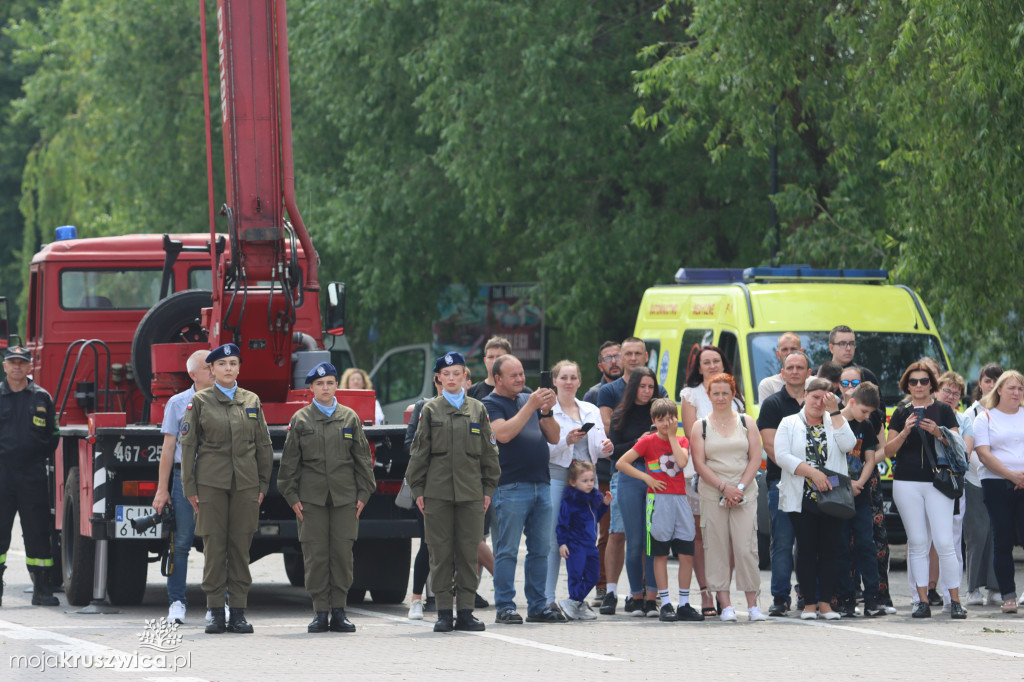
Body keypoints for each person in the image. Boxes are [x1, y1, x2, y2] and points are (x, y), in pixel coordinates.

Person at [181, 343, 274, 634]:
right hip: (211, 484)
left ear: (239, 367)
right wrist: (189, 486)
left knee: (240, 548)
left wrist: (262, 483)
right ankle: (215, 612)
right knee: (214, 546)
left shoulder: (251, 400)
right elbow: (188, 446)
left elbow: (263, 445)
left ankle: (238, 613)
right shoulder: (200, 401)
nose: (228, 368)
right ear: (211, 370)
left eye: (233, 363)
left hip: (246, 484)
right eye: (222, 364)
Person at [407, 352, 501, 632]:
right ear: (438, 378)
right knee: (439, 552)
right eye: (445, 374)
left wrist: (488, 489)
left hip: (472, 493)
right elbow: (418, 453)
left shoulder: (478, 410)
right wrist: (418, 489)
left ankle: (466, 612)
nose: (451, 379)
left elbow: (489, 453)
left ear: (464, 377)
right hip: (437, 494)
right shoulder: (430, 410)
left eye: (456, 373)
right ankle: (444, 613)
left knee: (469, 553)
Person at [483, 354, 565, 624]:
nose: (520, 379)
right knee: (506, 550)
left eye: (521, 374)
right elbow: (503, 434)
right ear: (498, 379)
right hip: (510, 485)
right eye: (513, 375)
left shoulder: (527, 400)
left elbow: (553, 436)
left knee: (540, 549)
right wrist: (530, 406)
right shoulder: (489, 404)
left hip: (541, 483)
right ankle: (505, 606)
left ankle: (538, 606)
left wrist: (547, 411)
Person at [884, 362, 964, 619]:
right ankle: (921, 600)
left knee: (944, 542)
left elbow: (958, 447)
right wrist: (906, 431)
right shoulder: (901, 412)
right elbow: (888, 451)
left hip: (937, 481)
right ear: (907, 385)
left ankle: (955, 601)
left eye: (924, 381)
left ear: (932, 383)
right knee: (917, 542)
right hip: (906, 482)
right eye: (913, 382)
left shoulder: (944, 410)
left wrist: (938, 433)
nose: (919, 386)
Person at [774, 378, 856, 620]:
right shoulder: (789, 423)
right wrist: (813, 473)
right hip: (802, 497)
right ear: (805, 397)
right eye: (815, 397)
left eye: (825, 398)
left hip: (832, 496)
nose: (819, 403)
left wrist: (836, 412)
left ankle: (826, 604)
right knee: (806, 550)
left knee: (831, 550)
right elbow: (781, 456)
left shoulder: (835, 421)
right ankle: (809, 604)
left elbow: (849, 444)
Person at [596, 338, 667, 615]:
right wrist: (642, 442)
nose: (647, 391)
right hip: (626, 475)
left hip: (657, 477)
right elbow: (614, 449)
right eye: (642, 386)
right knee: (624, 535)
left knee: (652, 538)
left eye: (651, 387)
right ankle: (623, 593)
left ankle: (651, 597)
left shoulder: (660, 405)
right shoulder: (615, 405)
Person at [690, 373, 764, 622]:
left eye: (725, 393)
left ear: (733, 394)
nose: (720, 397)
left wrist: (739, 487)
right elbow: (699, 464)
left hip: (744, 492)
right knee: (717, 547)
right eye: (715, 393)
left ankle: (753, 605)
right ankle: (726, 605)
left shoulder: (746, 421)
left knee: (746, 548)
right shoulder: (700, 426)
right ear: (708, 396)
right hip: (713, 492)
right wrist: (724, 488)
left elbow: (755, 457)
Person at [616, 398, 698, 623]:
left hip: (680, 500)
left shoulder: (681, 439)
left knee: (686, 552)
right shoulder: (648, 442)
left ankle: (684, 603)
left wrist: (672, 436)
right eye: (660, 420)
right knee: (659, 553)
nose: (665, 423)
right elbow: (622, 463)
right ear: (653, 421)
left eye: (670, 419)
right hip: (658, 501)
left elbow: (681, 462)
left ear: (676, 419)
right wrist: (646, 478)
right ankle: (665, 602)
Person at [152, 350, 215, 624]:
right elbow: (168, 449)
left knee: (218, 543)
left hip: (216, 479)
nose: (215, 371)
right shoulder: (177, 403)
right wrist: (162, 489)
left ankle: (218, 605)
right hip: (182, 478)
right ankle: (177, 602)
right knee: (180, 542)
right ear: (193, 374)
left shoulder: (229, 400)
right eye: (208, 367)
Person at [679, 344, 742, 618]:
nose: (713, 365)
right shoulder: (690, 395)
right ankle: (705, 591)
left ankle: (722, 593)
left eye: (717, 360)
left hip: (733, 477)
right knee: (701, 535)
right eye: (707, 362)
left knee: (728, 537)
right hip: (699, 475)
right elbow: (695, 441)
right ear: (699, 366)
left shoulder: (736, 398)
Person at [544, 360, 612, 613]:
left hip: (586, 481)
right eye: (564, 377)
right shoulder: (548, 409)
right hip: (559, 475)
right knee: (555, 539)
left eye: (573, 377)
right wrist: (566, 441)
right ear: (554, 380)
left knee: (585, 539)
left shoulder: (591, 410)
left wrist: (608, 448)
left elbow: (602, 443)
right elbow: (545, 450)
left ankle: (576, 598)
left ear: (580, 381)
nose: (569, 382)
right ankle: (548, 598)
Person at [0, 345, 60, 607]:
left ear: (28, 366)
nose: (16, 367)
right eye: (12, 362)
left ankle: (42, 589)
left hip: (33, 474)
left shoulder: (41, 397)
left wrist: (35, 458)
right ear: (4, 366)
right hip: (2, 474)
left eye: (21, 363)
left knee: (37, 529)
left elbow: (53, 435)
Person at [757, 350, 809, 616]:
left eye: (800, 367)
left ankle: (808, 593)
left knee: (809, 542)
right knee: (782, 541)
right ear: (783, 372)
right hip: (782, 482)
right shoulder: (773, 404)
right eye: (790, 367)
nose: (795, 371)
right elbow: (770, 445)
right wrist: (802, 469)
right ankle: (780, 597)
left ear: (809, 373)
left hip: (813, 485)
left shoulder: (816, 402)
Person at [973, 369, 1024, 615]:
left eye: (1020, 388)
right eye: (1012, 388)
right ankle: (1008, 596)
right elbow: (983, 453)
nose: (1016, 393)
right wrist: (1010, 474)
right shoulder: (985, 418)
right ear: (999, 390)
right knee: (1002, 540)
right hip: (995, 483)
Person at [835, 381, 885, 618]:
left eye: (870, 413)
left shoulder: (865, 426)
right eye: (864, 411)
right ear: (851, 402)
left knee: (866, 545)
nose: (866, 416)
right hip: (838, 493)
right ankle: (846, 598)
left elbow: (870, 459)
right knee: (842, 547)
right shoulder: (833, 421)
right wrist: (846, 483)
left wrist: (860, 483)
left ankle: (872, 598)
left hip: (861, 495)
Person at [581, 341, 622, 605]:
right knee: (605, 533)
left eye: (617, 356)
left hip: (635, 470)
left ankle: (642, 589)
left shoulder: (639, 388)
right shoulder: (592, 396)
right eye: (608, 358)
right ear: (600, 365)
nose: (614, 361)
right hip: (604, 473)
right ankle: (602, 585)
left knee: (634, 533)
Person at [962, 363, 1003, 607]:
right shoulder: (971, 413)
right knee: (977, 536)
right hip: (975, 480)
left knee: (998, 535)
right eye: (987, 381)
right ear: (980, 384)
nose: (991, 385)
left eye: (996, 381)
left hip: (1002, 482)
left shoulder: (1009, 413)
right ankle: (973, 588)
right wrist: (988, 467)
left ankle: (996, 588)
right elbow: (971, 451)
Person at [555, 460, 611, 620]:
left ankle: (574, 602)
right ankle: (574, 602)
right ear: (573, 482)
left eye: (591, 480)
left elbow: (596, 519)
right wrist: (562, 543)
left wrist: (604, 505)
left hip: (590, 546)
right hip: (575, 545)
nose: (589, 484)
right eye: (584, 481)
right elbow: (562, 524)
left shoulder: (592, 499)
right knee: (576, 574)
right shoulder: (570, 501)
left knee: (593, 576)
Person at [758, 333, 804, 403]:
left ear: (801, 352)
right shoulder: (768, 385)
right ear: (778, 354)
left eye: (793, 349)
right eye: (784, 349)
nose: (789, 353)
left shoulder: (813, 384)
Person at [467, 336, 513, 401]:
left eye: (499, 357)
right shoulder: (471, 392)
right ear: (485, 361)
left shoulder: (522, 392)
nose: (494, 361)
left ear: (510, 360)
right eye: (490, 357)